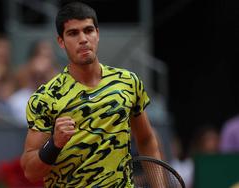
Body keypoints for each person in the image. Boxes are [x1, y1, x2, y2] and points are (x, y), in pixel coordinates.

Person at [20, 2, 161, 187]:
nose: (83, 39)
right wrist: (54, 144)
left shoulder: (128, 82)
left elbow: (146, 139)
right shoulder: (46, 98)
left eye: (88, 30)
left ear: (98, 33)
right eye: (73, 33)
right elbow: (30, 171)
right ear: (61, 41)